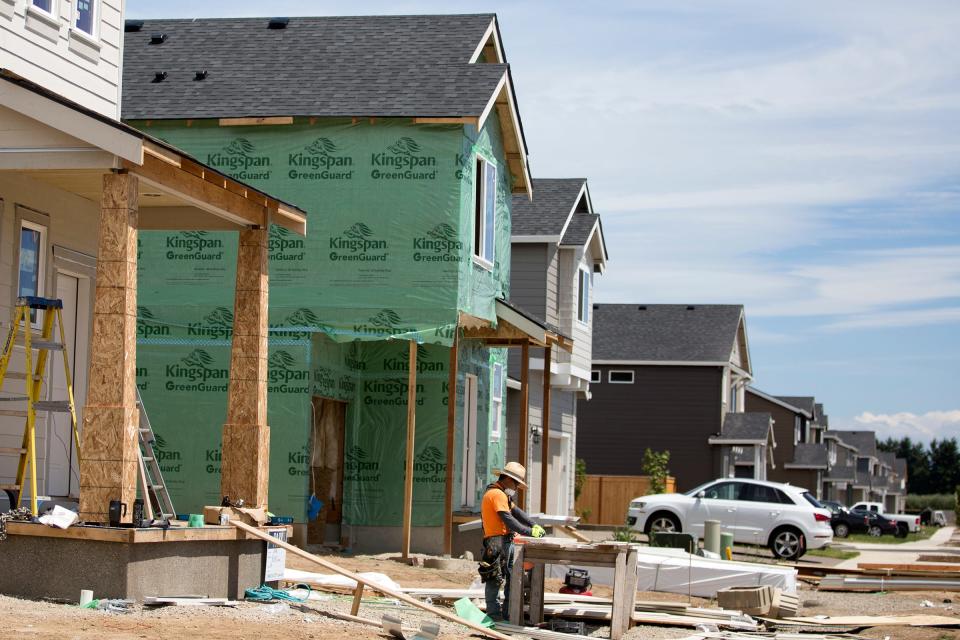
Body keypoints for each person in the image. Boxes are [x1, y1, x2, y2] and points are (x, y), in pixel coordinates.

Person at [478, 461, 545, 621]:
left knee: (511, 578)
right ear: (508, 479)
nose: (516, 488)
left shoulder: (503, 495)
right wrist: (530, 532)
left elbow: (517, 512)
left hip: (505, 540)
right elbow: (508, 519)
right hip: (496, 542)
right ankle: (494, 615)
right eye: (516, 484)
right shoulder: (496, 494)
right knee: (495, 578)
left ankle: (508, 614)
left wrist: (534, 524)